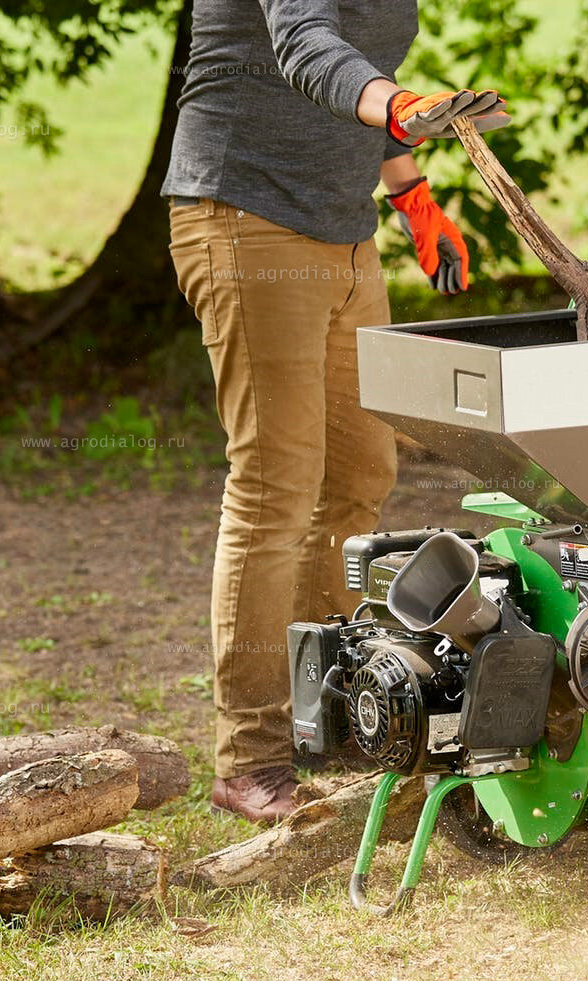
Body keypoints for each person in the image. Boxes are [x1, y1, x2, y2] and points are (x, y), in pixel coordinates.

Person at [162, 0, 509, 823]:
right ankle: (252, 757)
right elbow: (308, 46)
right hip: (245, 217)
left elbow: (365, 70)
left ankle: (333, 722)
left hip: (346, 233)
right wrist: (398, 106)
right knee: (274, 484)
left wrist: (413, 195)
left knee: (358, 472)